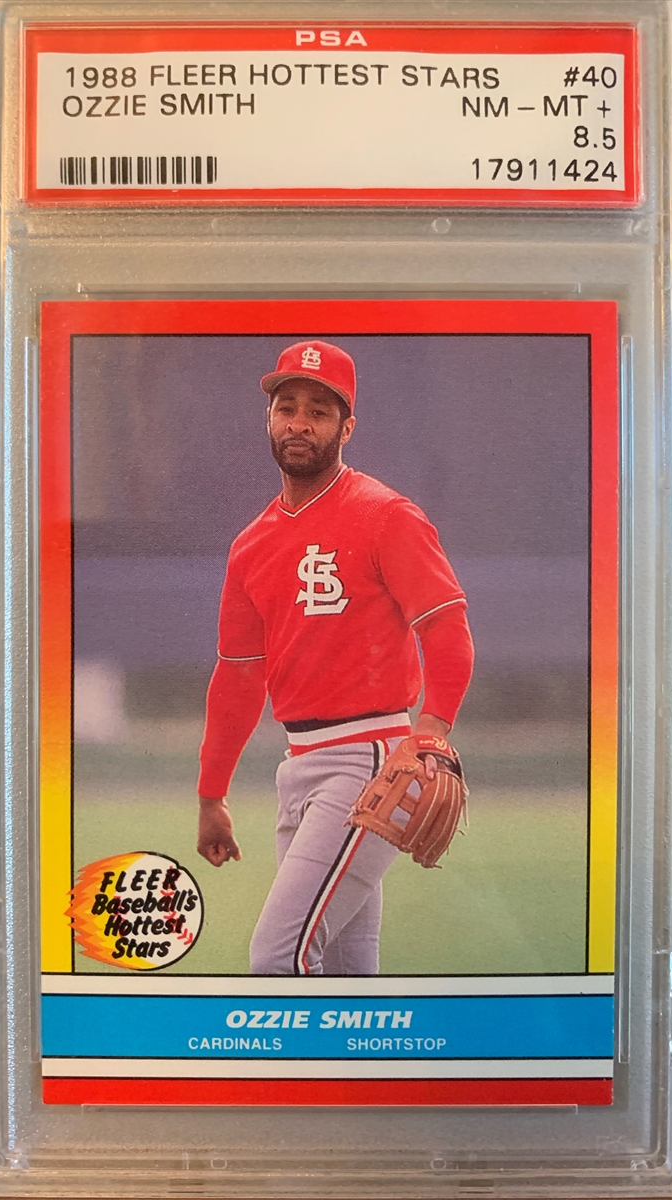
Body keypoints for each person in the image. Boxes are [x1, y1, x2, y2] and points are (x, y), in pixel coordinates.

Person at [196, 340, 474, 975]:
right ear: (268, 419)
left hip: (371, 758)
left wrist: (431, 734)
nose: (299, 423)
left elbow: (445, 626)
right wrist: (212, 794)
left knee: (277, 957)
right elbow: (238, 675)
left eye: (319, 412)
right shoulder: (251, 545)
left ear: (346, 428)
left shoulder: (386, 515)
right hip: (299, 766)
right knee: (349, 979)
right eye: (287, 407)